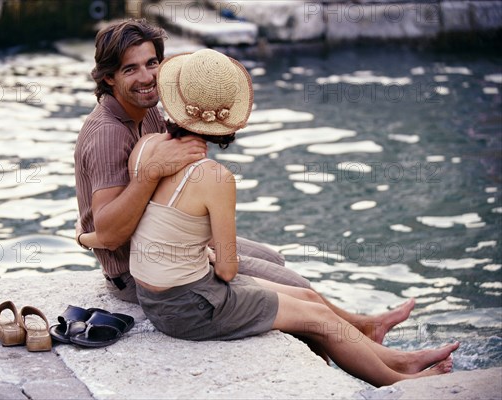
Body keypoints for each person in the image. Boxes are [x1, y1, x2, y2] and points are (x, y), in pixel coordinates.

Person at [126, 48, 459, 387]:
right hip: (189, 307)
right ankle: (399, 384)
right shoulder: (214, 177)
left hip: (155, 295)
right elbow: (227, 270)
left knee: (309, 298)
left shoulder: (147, 146)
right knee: (315, 317)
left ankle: (401, 359)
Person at [74, 18, 414, 345]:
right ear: (108, 78)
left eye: (152, 63)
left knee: (272, 258)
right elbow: (110, 232)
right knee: (291, 282)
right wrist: (149, 177)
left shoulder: (145, 108)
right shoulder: (108, 134)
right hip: (138, 274)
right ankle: (345, 335)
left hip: (163, 242)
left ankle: (361, 326)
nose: (147, 77)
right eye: (130, 69)